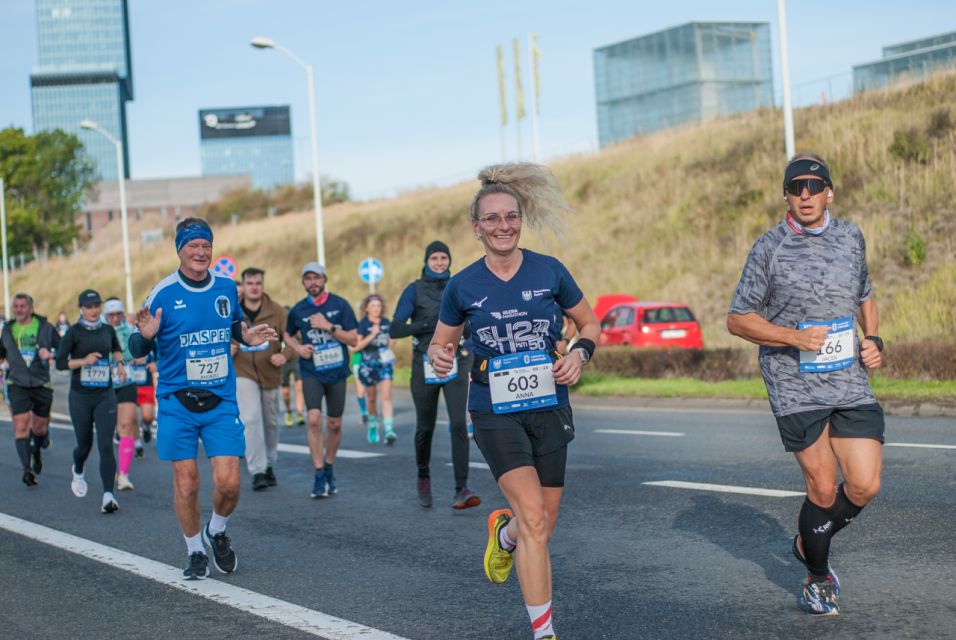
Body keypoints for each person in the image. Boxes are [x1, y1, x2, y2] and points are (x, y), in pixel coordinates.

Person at [428, 163, 599, 640]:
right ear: (476, 227)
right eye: (492, 219)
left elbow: (589, 323)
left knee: (541, 524)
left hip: (550, 404)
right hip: (492, 408)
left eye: (511, 216)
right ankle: (543, 631)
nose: (503, 226)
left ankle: (503, 536)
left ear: (521, 220)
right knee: (534, 517)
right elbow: (440, 344)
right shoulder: (462, 285)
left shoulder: (550, 271)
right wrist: (440, 358)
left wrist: (581, 355)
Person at [727, 154, 885, 616]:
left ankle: (807, 540)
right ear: (786, 196)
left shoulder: (851, 237)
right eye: (796, 187)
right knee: (821, 486)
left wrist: (873, 338)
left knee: (865, 484)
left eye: (814, 187)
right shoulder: (768, 248)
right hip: (793, 382)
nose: (805, 194)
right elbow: (738, 319)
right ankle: (818, 577)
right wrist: (793, 337)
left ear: (829, 193)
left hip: (849, 379)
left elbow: (866, 295)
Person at [129, 217, 277, 580]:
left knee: (229, 483)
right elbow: (136, 348)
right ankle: (195, 549)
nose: (200, 252)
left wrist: (249, 336)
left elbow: (235, 328)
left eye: (206, 246)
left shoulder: (226, 288)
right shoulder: (163, 292)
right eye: (193, 246)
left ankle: (217, 531)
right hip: (177, 401)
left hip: (220, 399)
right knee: (187, 483)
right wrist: (146, 337)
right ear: (179, 250)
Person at [390, 241, 481, 509]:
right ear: (427, 261)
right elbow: (395, 328)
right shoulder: (414, 290)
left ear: (449, 260)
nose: (440, 262)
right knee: (425, 427)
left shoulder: (459, 285)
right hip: (424, 363)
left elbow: (473, 324)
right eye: (435, 258)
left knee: (457, 424)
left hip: (456, 362)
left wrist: (469, 342)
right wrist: (433, 324)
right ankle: (423, 475)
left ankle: (461, 488)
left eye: (444, 258)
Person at [283, 262, 358, 499]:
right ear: (303, 282)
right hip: (311, 371)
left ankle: (328, 466)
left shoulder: (339, 304)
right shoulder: (298, 310)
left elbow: (354, 339)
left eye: (316, 278)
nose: (312, 282)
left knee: (334, 424)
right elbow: (287, 334)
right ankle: (317, 473)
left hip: (336, 372)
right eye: (307, 279)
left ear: (324, 279)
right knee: (313, 419)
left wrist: (329, 327)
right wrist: (297, 347)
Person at [55, 289, 126, 513]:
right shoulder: (74, 332)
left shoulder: (107, 329)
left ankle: (108, 495)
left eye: (97, 306)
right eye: (90, 307)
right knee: (84, 445)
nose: (94, 310)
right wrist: (83, 361)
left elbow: (115, 348)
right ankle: (78, 468)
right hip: (80, 396)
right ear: (81, 309)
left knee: (106, 444)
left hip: (105, 394)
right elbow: (59, 363)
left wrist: (120, 365)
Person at [232, 267, 294, 491]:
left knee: (271, 422)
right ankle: (257, 470)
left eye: (258, 283)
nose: (254, 287)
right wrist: (229, 348)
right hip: (243, 371)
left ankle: (269, 464)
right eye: (250, 283)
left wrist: (284, 354)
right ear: (244, 285)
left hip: (270, 372)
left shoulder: (277, 311)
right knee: (250, 419)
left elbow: (293, 338)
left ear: (263, 285)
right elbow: (220, 337)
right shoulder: (232, 310)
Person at [0, 293, 59, 486]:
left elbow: (63, 348)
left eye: (22, 306)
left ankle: (36, 452)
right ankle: (27, 469)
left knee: (40, 427)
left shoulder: (45, 328)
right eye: (15, 306)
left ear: (31, 308)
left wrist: (50, 353)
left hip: (41, 382)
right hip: (17, 382)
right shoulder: (7, 329)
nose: (18, 309)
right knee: (21, 425)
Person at [104, 298, 140, 490]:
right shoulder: (99, 330)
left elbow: (139, 351)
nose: (115, 318)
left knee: (126, 424)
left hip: (127, 381)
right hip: (104, 384)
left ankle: (123, 474)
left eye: (118, 314)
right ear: (105, 315)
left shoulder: (129, 329)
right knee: (108, 430)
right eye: (111, 315)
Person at [354, 294, 397, 445]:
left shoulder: (386, 323)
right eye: (372, 306)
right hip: (368, 363)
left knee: (386, 396)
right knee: (371, 398)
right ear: (366, 308)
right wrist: (372, 334)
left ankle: (389, 429)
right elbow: (356, 347)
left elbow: (391, 342)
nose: (376, 309)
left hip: (384, 361)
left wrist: (392, 341)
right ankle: (373, 424)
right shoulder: (363, 324)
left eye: (378, 306)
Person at [348, 348, 370, 428]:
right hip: (360, 361)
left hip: (367, 360)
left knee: (366, 389)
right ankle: (365, 412)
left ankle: (367, 413)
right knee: (363, 389)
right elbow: (352, 348)